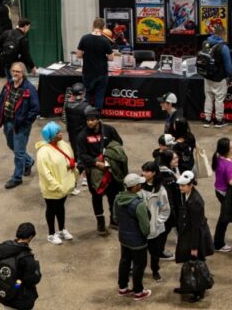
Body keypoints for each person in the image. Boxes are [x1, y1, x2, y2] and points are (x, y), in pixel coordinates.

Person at [76, 107, 124, 235]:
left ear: (98, 119)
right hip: (94, 171)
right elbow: (82, 155)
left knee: (113, 195)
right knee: (97, 196)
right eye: (88, 120)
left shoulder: (109, 130)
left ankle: (114, 220)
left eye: (92, 120)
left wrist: (109, 157)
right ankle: (100, 222)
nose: (90, 122)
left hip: (110, 169)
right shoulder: (82, 135)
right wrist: (96, 163)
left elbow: (118, 144)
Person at [173, 171, 214, 302]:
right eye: (180, 185)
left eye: (183, 186)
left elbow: (196, 226)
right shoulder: (187, 195)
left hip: (195, 236)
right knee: (188, 261)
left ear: (190, 185)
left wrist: (194, 247)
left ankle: (199, 291)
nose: (180, 188)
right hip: (188, 233)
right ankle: (187, 285)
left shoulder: (195, 201)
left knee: (196, 263)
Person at [0, 62, 40, 190]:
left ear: (23, 73)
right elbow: (1, 100)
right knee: (11, 145)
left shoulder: (29, 88)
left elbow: (35, 108)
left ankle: (17, 178)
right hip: (7, 122)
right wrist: (0, 116)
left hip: (21, 125)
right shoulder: (8, 85)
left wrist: (26, 122)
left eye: (18, 71)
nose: (15, 73)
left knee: (18, 152)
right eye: (13, 71)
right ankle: (29, 161)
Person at [35, 122, 77, 245]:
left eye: (59, 131)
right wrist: (56, 186)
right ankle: (51, 234)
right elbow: (45, 173)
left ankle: (62, 229)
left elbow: (69, 158)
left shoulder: (63, 144)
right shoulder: (43, 152)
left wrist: (72, 172)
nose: (60, 134)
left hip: (64, 185)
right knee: (51, 209)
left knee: (60, 207)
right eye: (57, 133)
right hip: (52, 188)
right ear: (51, 136)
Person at [114, 173, 153, 300]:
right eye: (139, 184)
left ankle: (123, 288)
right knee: (139, 265)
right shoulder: (138, 204)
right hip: (138, 241)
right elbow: (145, 226)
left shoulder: (118, 199)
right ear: (135, 187)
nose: (141, 185)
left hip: (123, 238)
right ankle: (138, 291)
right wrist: (145, 235)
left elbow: (115, 218)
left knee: (124, 261)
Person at [0, 222, 43, 309]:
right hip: (20, 300)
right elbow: (31, 280)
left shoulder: (4, 248)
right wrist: (36, 267)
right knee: (18, 283)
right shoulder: (27, 258)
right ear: (30, 237)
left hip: (5, 293)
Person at [138, 162, 172, 282]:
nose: (144, 173)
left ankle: (155, 270)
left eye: (147, 171)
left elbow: (165, 209)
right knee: (139, 252)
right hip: (140, 227)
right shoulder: (139, 186)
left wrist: (156, 221)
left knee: (155, 252)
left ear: (154, 173)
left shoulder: (160, 190)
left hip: (155, 229)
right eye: (143, 170)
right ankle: (138, 270)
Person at [75, 18, 114, 110]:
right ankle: (97, 115)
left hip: (87, 72)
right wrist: (101, 56)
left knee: (87, 94)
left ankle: (86, 114)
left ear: (93, 26)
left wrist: (88, 55)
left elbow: (78, 55)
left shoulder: (84, 38)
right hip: (101, 72)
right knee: (99, 95)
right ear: (103, 27)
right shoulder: (105, 40)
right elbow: (111, 58)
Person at [197, 30, 232, 128]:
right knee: (219, 99)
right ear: (222, 34)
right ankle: (219, 120)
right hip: (219, 78)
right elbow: (228, 66)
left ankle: (207, 119)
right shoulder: (224, 47)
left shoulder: (205, 43)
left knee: (208, 98)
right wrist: (230, 77)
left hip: (207, 76)